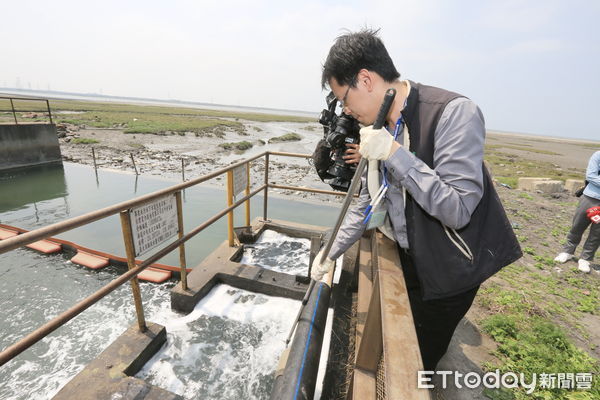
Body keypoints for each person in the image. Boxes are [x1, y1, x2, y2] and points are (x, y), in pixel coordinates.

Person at [311, 29, 522, 371]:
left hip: (453, 265)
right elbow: (364, 204)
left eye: (344, 98)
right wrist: (329, 251)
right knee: (399, 334)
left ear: (366, 80)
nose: (346, 111)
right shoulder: (378, 128)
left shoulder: (453, 113)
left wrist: (395, 153)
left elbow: (457, 208)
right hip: (412, 254)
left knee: (420, 354)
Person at [554, 151, 600, 273]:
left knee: (597, 234)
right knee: (577, 226)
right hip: (590, 198)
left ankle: (585, 259)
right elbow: (591, 176)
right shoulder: (598, 155)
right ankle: (567, 252)